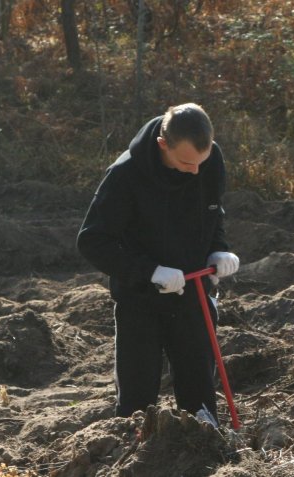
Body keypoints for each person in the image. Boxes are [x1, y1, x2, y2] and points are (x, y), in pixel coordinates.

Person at [77, 103, 240, 421]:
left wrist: (218, 250)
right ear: (163, 145)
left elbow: (212, 212)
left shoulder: (209, 161)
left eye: (200, 162)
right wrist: (149, 272)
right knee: (137, 403)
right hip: (140, 300)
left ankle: (205, 453)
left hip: (193, 293)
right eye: (185, 162)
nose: (196, 171)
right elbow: (92, 241)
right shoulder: (125, 176)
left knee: (199, 393)